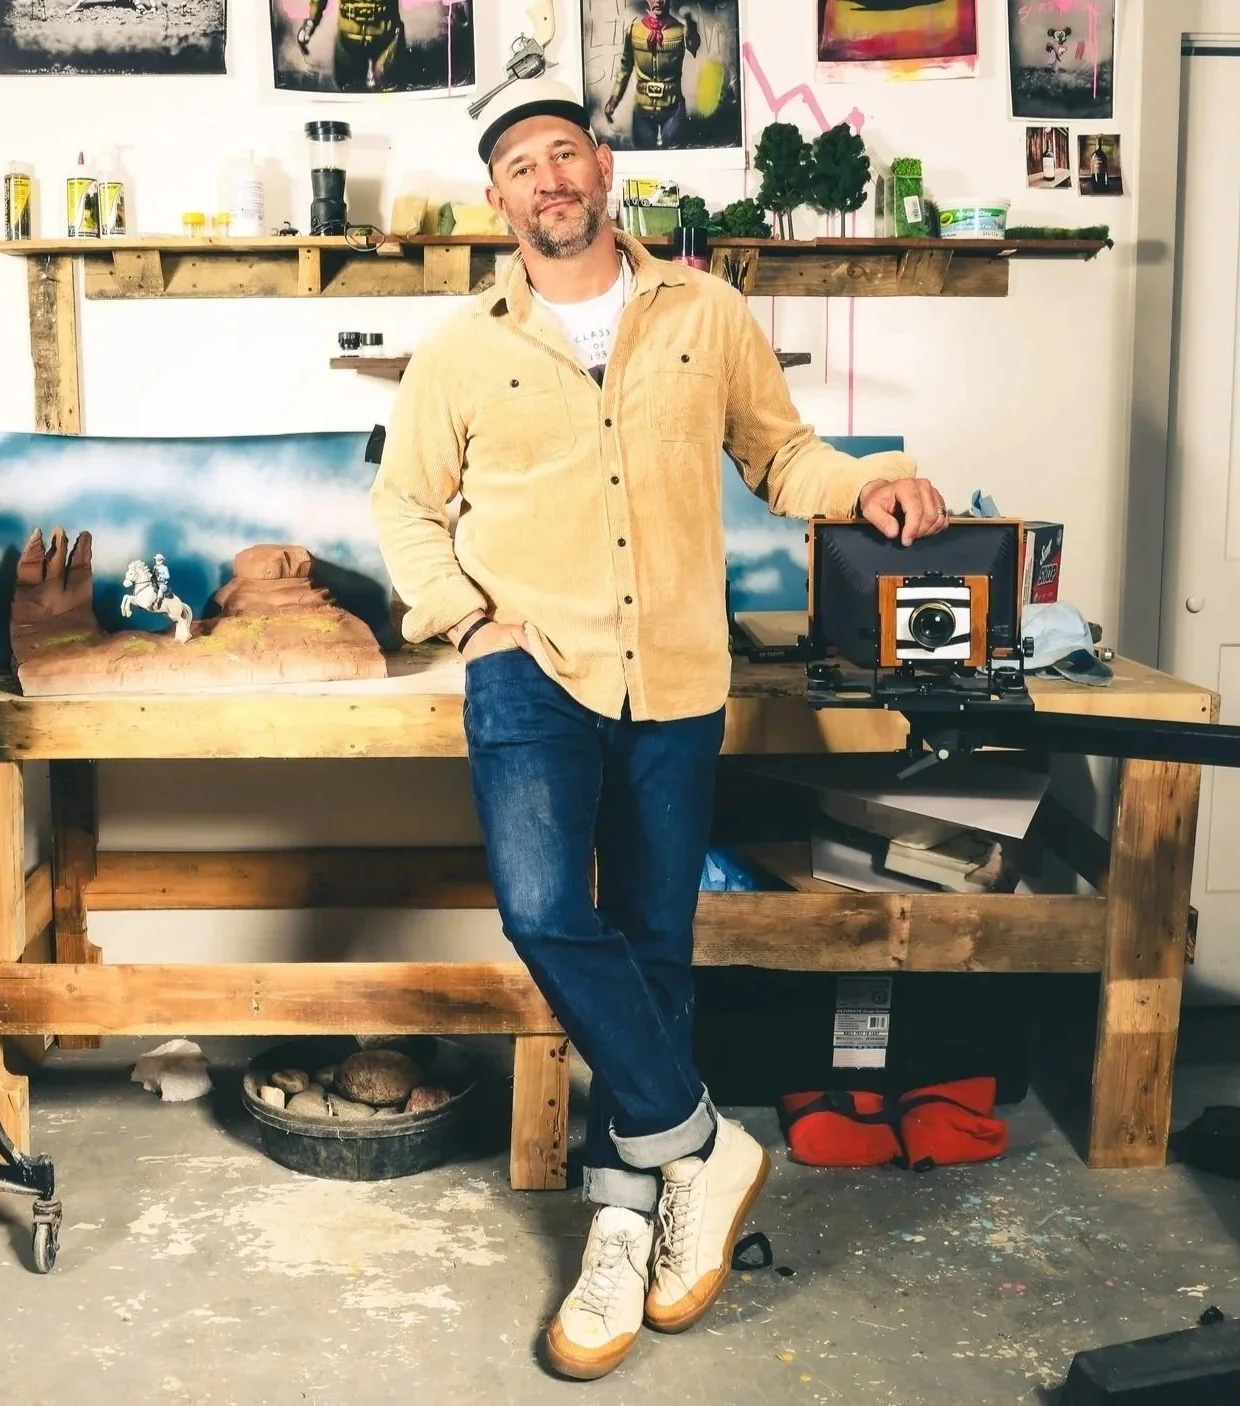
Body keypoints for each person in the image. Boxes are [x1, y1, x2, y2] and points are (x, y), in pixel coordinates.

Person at [369, 78, 949, 1382]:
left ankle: (627, 1221)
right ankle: (704, 1140)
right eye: (521, 165)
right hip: (529, 662)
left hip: (678, 669)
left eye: (563, 152)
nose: (547, 178)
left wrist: (873, 483)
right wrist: (466, 621)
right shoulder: (461, 347)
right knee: (541, 910)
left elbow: (783, 457)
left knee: (653, 945)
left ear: (602, 166)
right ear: (497, 200)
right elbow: (406, 504)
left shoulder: (707, 310)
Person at [603, 0, 700, 150]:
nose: (659, 1)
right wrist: (614, 99)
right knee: (644, 155)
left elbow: (693, 46)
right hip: (643, 110)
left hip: (673, 108)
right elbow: (625, 68)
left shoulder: (680, 31)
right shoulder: (634, 30)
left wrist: (691, 25)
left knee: (674, 155)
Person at [294, 0, 407, 93]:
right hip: (348, 40)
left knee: (387, 88)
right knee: (349, 91)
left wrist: (311, 23)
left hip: (386, 39)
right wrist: (310, 24)